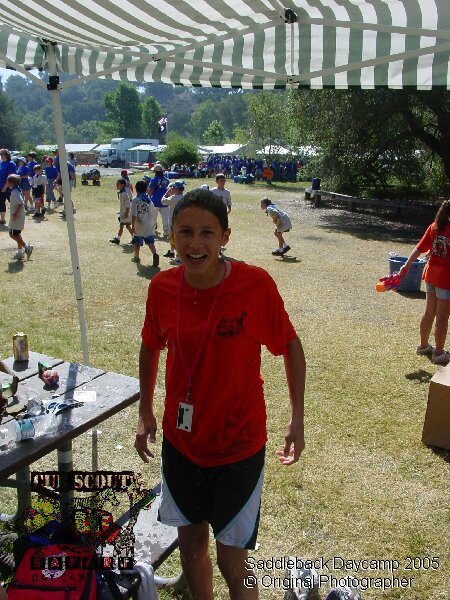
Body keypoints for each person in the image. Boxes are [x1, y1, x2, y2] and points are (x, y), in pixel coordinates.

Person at [135, 190, 305, 600]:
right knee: (191, 547)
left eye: (207, 233)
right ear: (171, 236)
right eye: (185, 232)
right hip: (182, 443)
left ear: (225, 237)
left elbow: (290, 345)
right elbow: (150, 345)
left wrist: (297, 417)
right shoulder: (162, 287)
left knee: (232, 560)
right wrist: (145, 410)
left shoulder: (254, 285)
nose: (195, 243)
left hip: (237, 444)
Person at [399, 199, 450, 364]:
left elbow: (419, 248)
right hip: (445, 280)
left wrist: (406, 266)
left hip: (431, 276)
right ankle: (439, 353)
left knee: (429, 312)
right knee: (442, 317)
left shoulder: (434, 226)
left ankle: (423, 346)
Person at [130, 179, 159, 267]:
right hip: (149, 223)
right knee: (150, 241)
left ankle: (137, 257)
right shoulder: (148, 199)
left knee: (137, 241)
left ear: (136, 189)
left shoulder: (135, 200)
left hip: (139, 223)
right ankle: (155, 254)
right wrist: (155, 222)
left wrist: (132, 226)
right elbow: (153, 211)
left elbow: (134, 214)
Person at [7, 174, 33, 260]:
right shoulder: (16, 190)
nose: (7, 183)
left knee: (12, 234)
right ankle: (20, 252)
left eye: (8, 181)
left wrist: (16, 213)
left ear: (11, 183)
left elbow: (20, 203)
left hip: (17, 216)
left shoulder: (15, 192)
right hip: (18, 215)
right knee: (17, 234)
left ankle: (27, 247)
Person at [161, 180, 185, 260]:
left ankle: (178, 257)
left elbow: (163, 201)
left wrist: (167, 193)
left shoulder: (173, 198)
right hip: (182, 222)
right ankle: (172, 252)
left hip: (174, 222)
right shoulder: (185, 197)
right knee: (176, 238)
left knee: (174, 239)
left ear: (176, 189)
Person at [147, 163, 170, 239]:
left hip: (155, 201)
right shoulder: (167, 180)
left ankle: (152, 232)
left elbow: (151, 190)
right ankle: (166, 232)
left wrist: (148, 197)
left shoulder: (154, 179)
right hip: (165, 201)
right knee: (166, 218)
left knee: (153, 218)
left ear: (155, 171)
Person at [110, 178, 133, 244]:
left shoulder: (124, 194)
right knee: (127, 226)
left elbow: (128, 204)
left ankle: (118, 239)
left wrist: (126, 213)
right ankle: (134, 237)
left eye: (118, 184)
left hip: (125, 213)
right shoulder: (122, 193)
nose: (116, 185)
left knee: (122, 225)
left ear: (122, 185)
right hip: (124, 212)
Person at [0, 149, 17, 225]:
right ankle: (2, 219)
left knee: (13, 202)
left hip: (8, 187)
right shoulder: (1, 163)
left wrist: (5, 186)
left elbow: (10, 176)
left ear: (6, 155)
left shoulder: (11, 164)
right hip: (1, 186)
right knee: (1, 202)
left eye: (2, 154)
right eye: (0, 154)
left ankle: (18, 217)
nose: (1, 156)